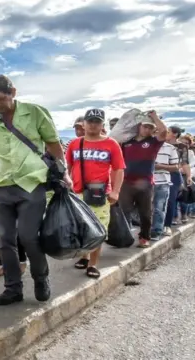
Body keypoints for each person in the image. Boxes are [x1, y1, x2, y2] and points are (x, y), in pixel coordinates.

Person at [0, 75, 72, 306]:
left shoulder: (35, 112)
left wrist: (65, 172)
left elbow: (53, 144)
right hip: (2, 185)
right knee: (6, 241)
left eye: (2, 98)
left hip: (31, 182)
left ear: (13, 92)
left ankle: (41, 279)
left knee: (28, 237)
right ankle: (13, 289)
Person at [66, 108, 125, 278]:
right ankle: (84, 256)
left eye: (97, 122)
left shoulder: (111, 144)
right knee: (80, 228)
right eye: (90, 121)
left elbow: (119, 169)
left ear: (102, 124)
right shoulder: (74, 144)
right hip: (77, 194)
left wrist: (115, 191)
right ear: (83, 124)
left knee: (98, 230)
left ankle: (93, 264)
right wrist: (66, 184)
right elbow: (68, 167)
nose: (93, 125)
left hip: (100, 194)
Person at [118, 110, 167, 248]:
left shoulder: (153, 142)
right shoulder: (126, 142)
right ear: (139, 126)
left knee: (145, 213)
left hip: (145, 183)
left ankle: (144, 237)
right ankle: (124, 237)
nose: (147, 129)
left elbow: (163, 131)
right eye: (145, 126)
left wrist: (154, 116)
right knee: (123, 211)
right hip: (126, 182)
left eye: (150, 127)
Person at [152, 129, 179, 239]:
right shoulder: (147, 145)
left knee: (159, 208)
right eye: (156, 132)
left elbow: (175, 167)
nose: (158, 134)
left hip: (162, 182)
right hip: (145, 181)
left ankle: (156, 231)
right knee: (145, 209)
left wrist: (160, 166)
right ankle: (144, 232)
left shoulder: (170, 148)